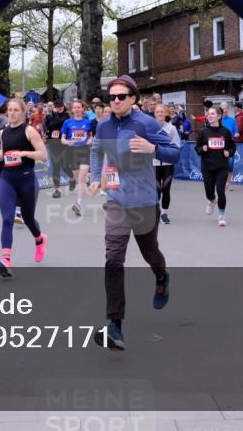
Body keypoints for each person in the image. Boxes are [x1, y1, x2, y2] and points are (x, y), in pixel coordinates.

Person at [88, 75, 179, 350]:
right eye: (112, 97)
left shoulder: (147, 123)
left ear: (133, 99)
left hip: (143, 201)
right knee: (113, 259)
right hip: (116, 200)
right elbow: (95, 150)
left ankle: (161, 276)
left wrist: (153, 148)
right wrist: (94, 177)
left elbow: (176, 152)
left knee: (150, 252)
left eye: (121, 96)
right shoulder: (103, 125)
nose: (115, 101)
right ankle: (115, 325)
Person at [0, 98, 48, 277]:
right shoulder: (3, 133)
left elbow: (43, 155)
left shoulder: (29, 131)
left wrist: (23, 153)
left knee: (28, 218)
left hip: (26, 179)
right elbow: (4, 151)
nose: (12, 113)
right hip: (7, 179)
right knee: (7, 219)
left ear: (23, 112)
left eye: (16, 110)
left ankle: (39, 239)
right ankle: (5, 259)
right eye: (10, 110)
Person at [195, 106, 235, 227]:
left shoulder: (226, 132)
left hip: (222, 166)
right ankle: (211, 200)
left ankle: (222, 215)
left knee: (220, 190)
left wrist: (229, 152)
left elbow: (232, 146)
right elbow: (197, 148)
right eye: (208, 113)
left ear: (219, 116)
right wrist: (203, 148)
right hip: (207, 166)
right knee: (209, 191)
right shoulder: (203, 132)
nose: (209, 115)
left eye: (212, 114)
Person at [61, 99, 94, 217]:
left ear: (83, 109)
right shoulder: (67, 122)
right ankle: (88, 179)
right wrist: (67, 142)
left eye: (79, 107)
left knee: (81, 178)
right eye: (75, 107)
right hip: (72, 152)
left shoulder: (88, 122)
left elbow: (91, 136)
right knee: (77, 178)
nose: (77, 109)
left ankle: (78, 204)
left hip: (84, 151)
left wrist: (90, 140)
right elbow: (63, 138)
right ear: (72, 109)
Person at [153, 103, 180, 225]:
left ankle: (164, 213)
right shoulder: (150, 128)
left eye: (162, 112)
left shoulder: (171, 129)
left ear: (166, 114)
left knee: (166, 189)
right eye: (158, 112)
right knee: (156, 189)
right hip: (154, 163)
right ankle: (156, 212)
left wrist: (168, 151)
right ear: (155, 114)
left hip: (168, 163)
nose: (160, 114)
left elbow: (176, 145)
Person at [43, 100, 69, 199]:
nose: (59, 108)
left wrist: (55, 114)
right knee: (56, 166)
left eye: (60, 106)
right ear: (54, 107)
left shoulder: (66, 115)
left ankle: (73, 177)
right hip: (53, 144)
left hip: (64, 144)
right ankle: (57, 189)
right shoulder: (49, 116)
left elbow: (61, 124)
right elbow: (48, 127)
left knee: (65, 166)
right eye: (57, 107)